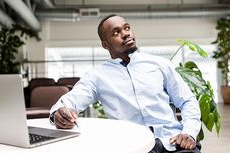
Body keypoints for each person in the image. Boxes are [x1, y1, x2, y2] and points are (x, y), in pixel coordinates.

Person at [49, 14, 201, 153]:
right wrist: (60, 113)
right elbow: (71, 100)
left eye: (127, 28)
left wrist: (189, 132)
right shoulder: (97, 76)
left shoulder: (160, 64)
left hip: (174, 143)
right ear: (105, 44)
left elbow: (188, 100)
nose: (126, 33)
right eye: (116, 32)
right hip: (133, 146)